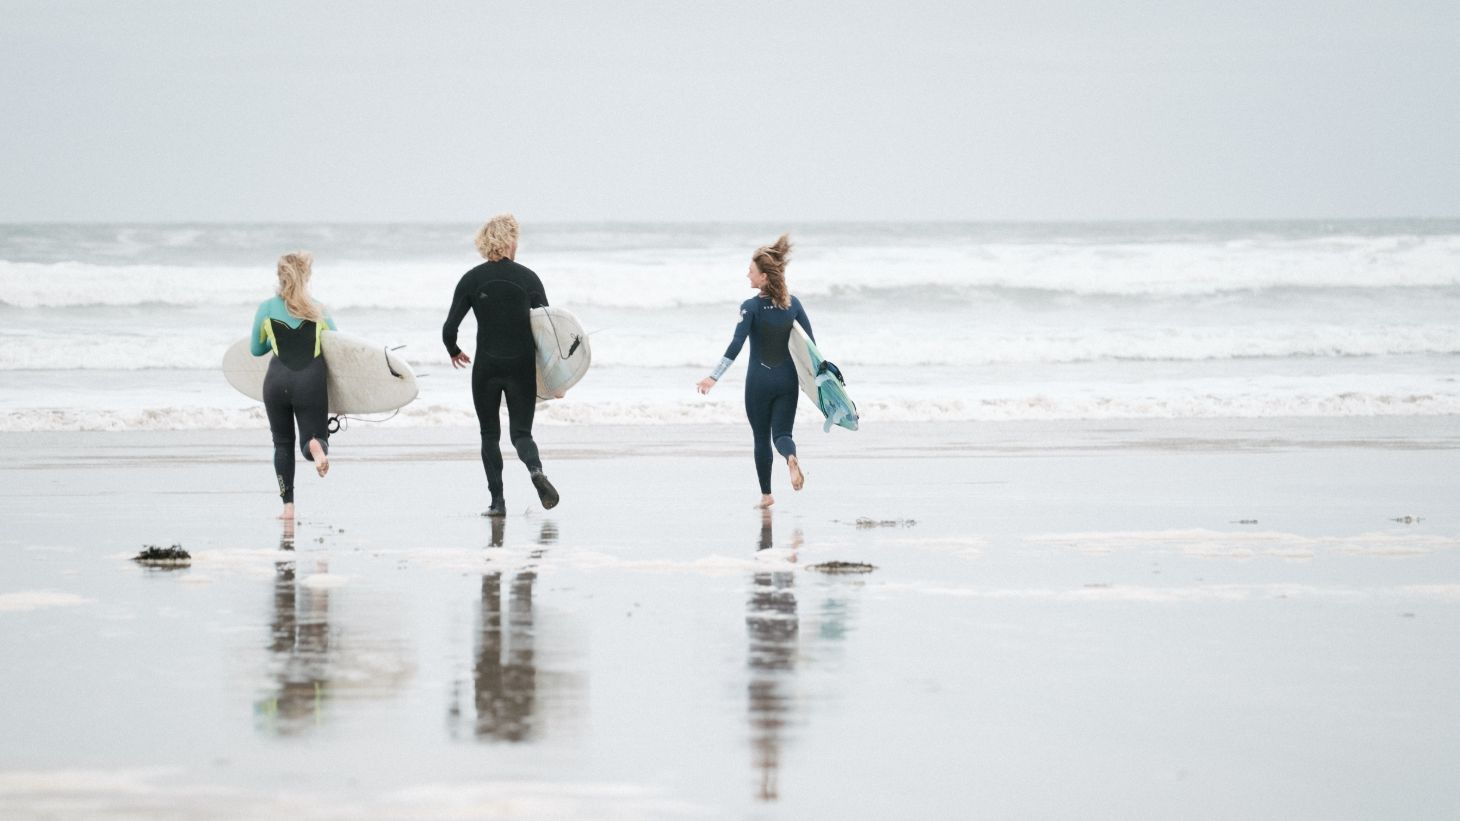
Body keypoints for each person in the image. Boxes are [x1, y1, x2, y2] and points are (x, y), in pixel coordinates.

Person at [443, 213, 560, 517]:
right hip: (521, 367)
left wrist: (454, 351)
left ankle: (498, 503)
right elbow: (548, 333)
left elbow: (449, 329)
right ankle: (535, 471)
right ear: (510, 241)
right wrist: (556, 380)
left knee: (489, 435)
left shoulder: (471, 279)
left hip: (487, 367)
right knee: (521, 434)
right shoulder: (529, 278)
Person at [697, 234, 811, 508]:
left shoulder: (750, 308)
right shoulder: (793, 304)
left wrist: (713, 376)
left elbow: (736, 344)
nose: (747, 274)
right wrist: (821, 383)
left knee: (761, 438)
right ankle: (790, 457)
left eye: (751, 271)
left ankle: (767, 495)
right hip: (787, 380)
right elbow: (810, 347)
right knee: (782, 435)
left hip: (759, 381)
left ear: (763, 277)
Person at [251, 251, 337, 521]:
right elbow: (336, 346)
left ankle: (288, 507)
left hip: (275, 382)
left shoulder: (266, 309)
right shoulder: (319, 310)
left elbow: (256, 349)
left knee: (282, 444)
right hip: (309, 381)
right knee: (314, 438)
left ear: (280, 276)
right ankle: (315, 446)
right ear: (306, 276)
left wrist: (273, 340)